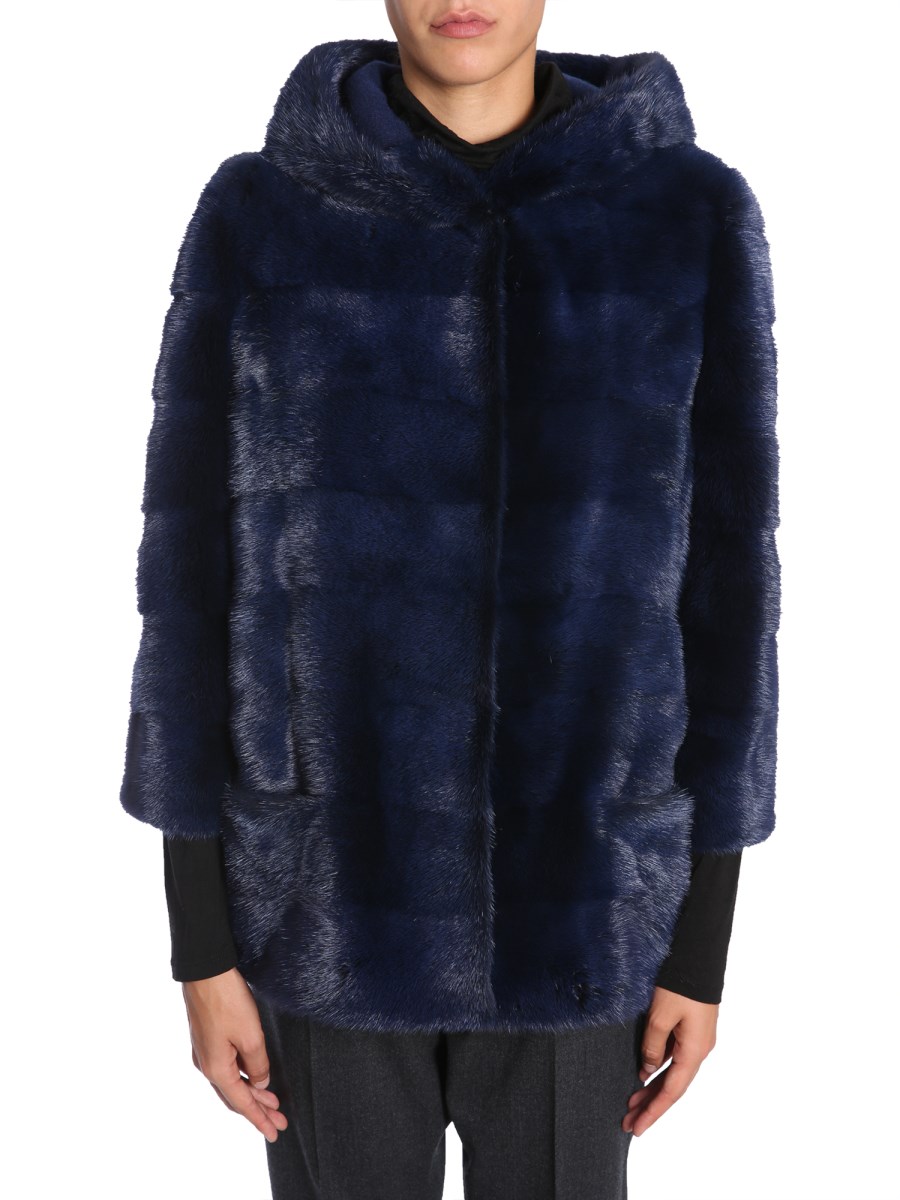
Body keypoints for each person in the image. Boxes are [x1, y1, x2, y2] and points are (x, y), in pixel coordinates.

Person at [120, 3, 780, 1197]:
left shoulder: (686, 217)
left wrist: (702, 944)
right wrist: (201, 945)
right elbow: (185, 588)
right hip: (322, 902)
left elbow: (731, 597)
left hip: (587, 905)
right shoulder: (260, 216)